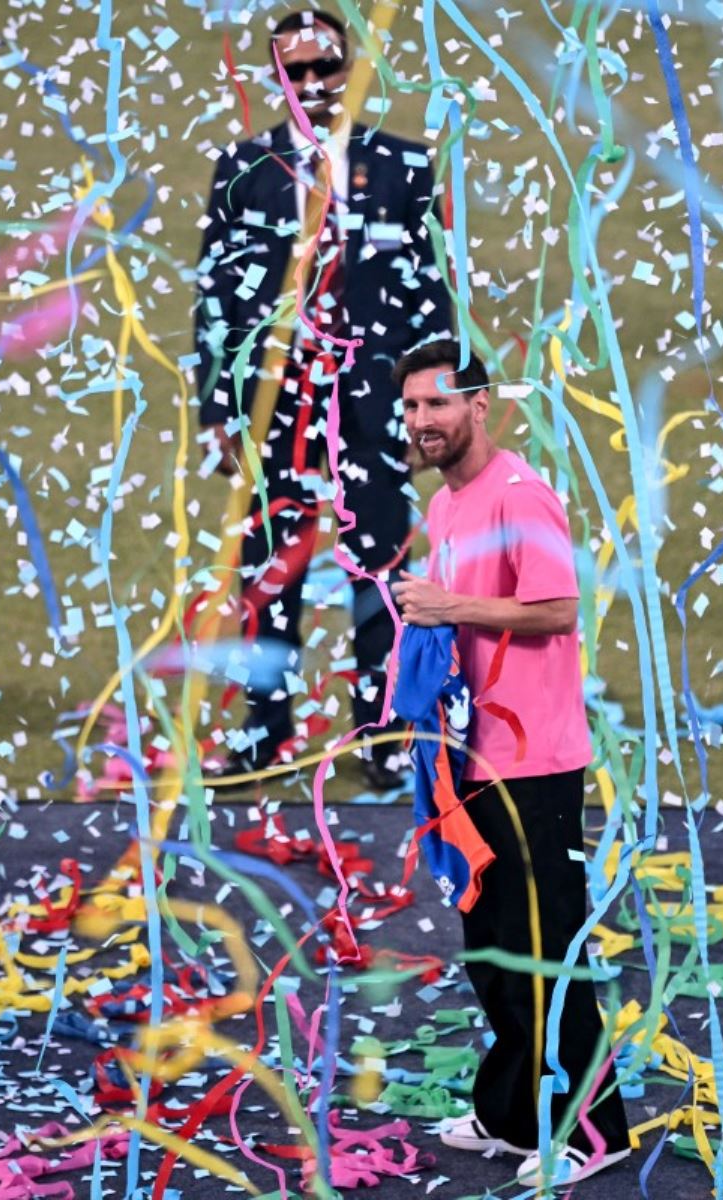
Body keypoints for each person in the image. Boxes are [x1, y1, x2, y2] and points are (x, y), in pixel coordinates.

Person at [389, 339, 633, 1187]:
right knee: (493, 950)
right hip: (472, 761)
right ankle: (509, 1113)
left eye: (439, 404)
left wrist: (446, 604)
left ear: (480, 405)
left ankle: (590, 1135)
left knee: (546, 950)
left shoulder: (520, 495)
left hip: (535, 767)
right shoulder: (451, 504)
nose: (424, 421)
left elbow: (559, 608)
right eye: (414, 407)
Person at [193, 8, 453, 791]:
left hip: (372, 406)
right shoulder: (244, 168)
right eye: (295, 70)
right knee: (269, 576)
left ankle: (382, 739)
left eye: (325, 67)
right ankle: (266, 733)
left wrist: (430, 407)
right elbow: (215, 299)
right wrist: (217, 410)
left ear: (352, 65)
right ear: (278, 76)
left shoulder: (406, 168)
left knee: (382, 574)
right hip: (273, 410)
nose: (312, 84)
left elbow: (432, 301)